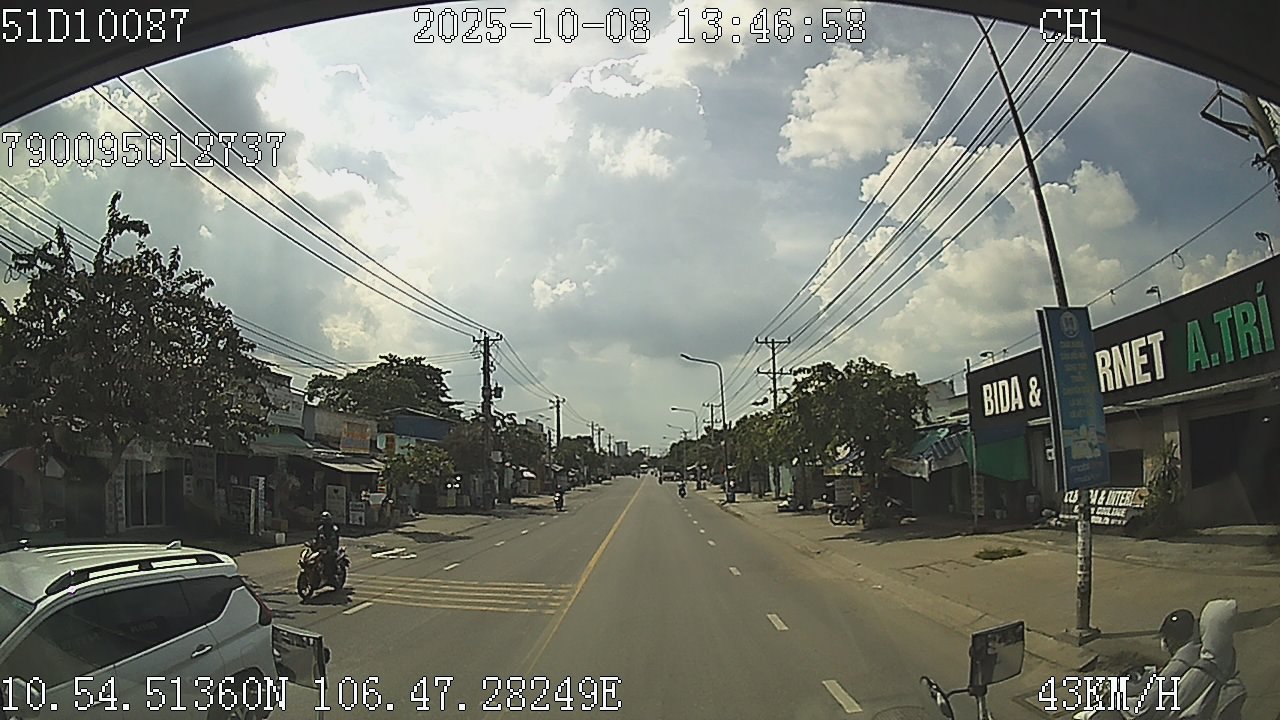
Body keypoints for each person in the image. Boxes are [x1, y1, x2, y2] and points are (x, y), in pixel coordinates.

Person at [315, 511, 340, 580]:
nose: (325, 522)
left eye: (326, 520)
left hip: (332, 548)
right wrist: (314, 544)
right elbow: (317, 538)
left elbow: (334, 539)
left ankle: (333, 573)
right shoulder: (320, 528)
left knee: (329, 559)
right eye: (323, 520)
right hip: (321, 547)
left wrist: (331, 547)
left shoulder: (334, 529)